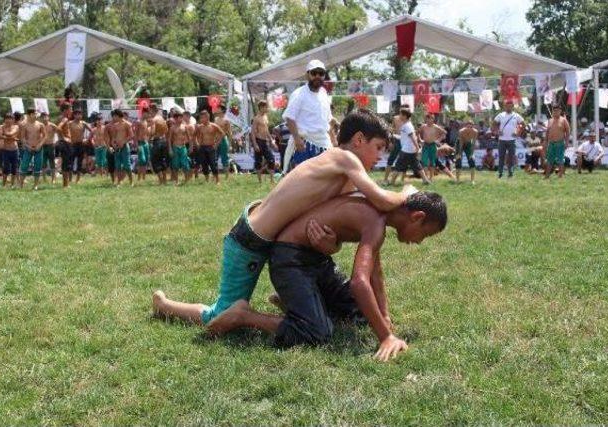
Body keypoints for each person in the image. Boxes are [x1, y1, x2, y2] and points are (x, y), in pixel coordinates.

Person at [151, 109, 415, 332]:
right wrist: (406, 192)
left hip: (271, 240)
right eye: (378, 148)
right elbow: (381, 200)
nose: (380, 156)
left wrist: (332, 245)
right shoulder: (343, 159)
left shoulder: (342, 174)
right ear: (358, 140)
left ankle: (292, 303)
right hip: (250, 239)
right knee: (220, 312)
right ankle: (165, 306)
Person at [157, 191, 446, 362]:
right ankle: (245, 315)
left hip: (316, 261)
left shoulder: (379, 211)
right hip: (291, 261)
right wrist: (386, 337)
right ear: (417, 217)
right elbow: (360, 282)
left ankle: (297, 304)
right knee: (318, 333)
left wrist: (383, 316)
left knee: (361, 312)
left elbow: (375, 273)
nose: (420, 242)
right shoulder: (375, 221)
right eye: (426, 235)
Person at [281, 59, 335, 172]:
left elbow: (328, 119)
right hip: (305, 143)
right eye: (314, 73)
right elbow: (289, 117)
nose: (317, 76)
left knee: (324, 179)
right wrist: (297, 139)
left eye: (321, 73)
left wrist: (333, 140)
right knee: (302, 180)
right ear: (307, 75)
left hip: (324, 143)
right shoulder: (299, 94)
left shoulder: (324, 94)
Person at [388, 108, 431, 186]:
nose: (399, 116)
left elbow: (412, 137)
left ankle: (391, 182)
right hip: (410, 150)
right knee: (417, 165)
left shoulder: (407, 126)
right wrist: (393, 135)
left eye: (400, 114)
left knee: (398, 165)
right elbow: (404, 137)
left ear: (404, 116)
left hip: (406, 150)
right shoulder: (407, 125)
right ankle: (425, 180)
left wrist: (418, 148)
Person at [492, 99, 524, 178]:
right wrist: (497, 131)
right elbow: (494, 124)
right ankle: (500, 173)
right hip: (502, 140)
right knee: (501, 157)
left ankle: (510, 173)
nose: (508, 107)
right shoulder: (501, 115)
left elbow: (523, 124)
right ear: (505, 107)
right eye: (507, 106)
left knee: (511, 157)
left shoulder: (516, 115)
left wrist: (518, 132)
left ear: (512, 107)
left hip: (512, 140)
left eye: (510, 106)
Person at [195, 109, 225, 185]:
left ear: (207, 117)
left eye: (203, 118)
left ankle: (217, 180)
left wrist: (217, 144)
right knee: (204, 164)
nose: (201, 119)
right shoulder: (199, 127)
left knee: (213, 164)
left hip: (211, 147)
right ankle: (207, 179)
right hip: (202, 147)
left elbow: (222, 134)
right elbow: (194, 136)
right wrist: (197, 143)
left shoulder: (214, 126)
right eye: (201, 118)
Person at [18, 109, 45, 190]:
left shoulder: (40, 124)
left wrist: (40, 145)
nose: (36, 115)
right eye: (34, 114)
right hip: (28, 148)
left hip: (38, 148)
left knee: (38, 166)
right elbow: (22, 138)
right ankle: (21, 185)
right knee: (24, 166)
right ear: (29, 115)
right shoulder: (24, 125)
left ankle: (35, 185)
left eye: (36, 113)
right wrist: (28, 146)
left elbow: (44, 136)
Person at [251, 101, 277, 183]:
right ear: (261, 107)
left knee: (271, 159)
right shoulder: (256, 118)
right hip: (258, 141)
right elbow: (252, 133)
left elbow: (267, 131)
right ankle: (260, 181)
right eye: (266, 107)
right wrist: (255, 144)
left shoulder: (265, 117)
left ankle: (272, 180)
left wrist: (272, 141)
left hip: (265, 141)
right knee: (258, 161)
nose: (267, 108)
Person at [107, 109, 134, 187]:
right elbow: (113, 137)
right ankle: (119, 182)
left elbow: (131, 136)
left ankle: (131, 181)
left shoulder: (127, 124)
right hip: (117, 147)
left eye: (114, 116)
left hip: (125, 146)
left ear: (118, 116)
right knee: (118, 165)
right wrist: (113, 144)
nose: (113, 118)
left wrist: (123, 142)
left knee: (127, 165)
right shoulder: (115, 125)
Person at [544, 104, 570, 179]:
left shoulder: (563, 120)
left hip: (560, 143)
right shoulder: (550, 120)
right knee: (549, 160)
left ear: (560, 111)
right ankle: (547, 176)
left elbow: (568, 131)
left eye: (557, 110)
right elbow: (547, 132)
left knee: (560, 160)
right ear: (552, 111)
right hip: (551, 144)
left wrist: (567, 142)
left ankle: (560, 176)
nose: (556, 112)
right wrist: (545, 142)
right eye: (554, 110)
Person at [419, 113, 446, 181]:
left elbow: (444, 133)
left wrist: (438, 140)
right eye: (428, 118)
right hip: (425, 145)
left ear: (433, 119)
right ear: (426, 119)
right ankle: (426, 177)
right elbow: (417, 133)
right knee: (424, 161)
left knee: (432, 162)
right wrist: (420, 140)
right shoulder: (423, 126)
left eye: (431, 118)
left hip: (432, 145)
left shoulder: (435, 127)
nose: (429, 120)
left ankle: (431, 178)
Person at [168, 111, 192, 185]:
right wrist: (170, 149)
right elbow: (169, 139)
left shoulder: (185, 126)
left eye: (182, 117)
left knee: (185, 164)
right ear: (175, 118)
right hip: (175, 147)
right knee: (175, 165)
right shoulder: (172, 128)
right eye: (180, 117)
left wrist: (191, 146)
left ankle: (186, 180)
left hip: (183, 147)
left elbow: (189, 137)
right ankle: (176, 181)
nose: (181, 119)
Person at [148, 103, 170, 185]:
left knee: (155, 161)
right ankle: (164, 181)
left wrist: (149, 138)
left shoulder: (154, 120)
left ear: (151, 109)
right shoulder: (161, 118)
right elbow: (166, 130)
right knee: (162, 161)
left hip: (157, 141)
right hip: (163, 141)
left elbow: (152, 131)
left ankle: (161, 181)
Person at [68, 109, 92, 184]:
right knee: (70, 162)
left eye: (80, 114)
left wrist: (87, 139)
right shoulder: (70, 123)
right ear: (74, 115)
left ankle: (77, 180)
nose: (78, 116)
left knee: (79, 162)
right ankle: (70, 179)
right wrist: (68, 139)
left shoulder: (83, 123)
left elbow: (92, 131)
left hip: (81, 144)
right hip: (72, 145)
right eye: (77, 114)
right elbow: (64, 131)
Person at [382, 107, 404, 185]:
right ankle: (385, 179)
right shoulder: (395, 118)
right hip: (396, 140)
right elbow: (392, 129)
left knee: (403, 161)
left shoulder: (408, 119)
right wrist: (391, 142)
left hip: (405, 141)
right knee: (391, 159)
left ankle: (401, 179)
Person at [0, 113, 20, 188]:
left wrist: (4, 134)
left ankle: (12, 184)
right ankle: (4, 185)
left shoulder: (16, 127)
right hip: (6, 150)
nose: (8, 120)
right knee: (5, 168)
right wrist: (12, 138)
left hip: (15, 150)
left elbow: (10, 134)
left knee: (14, 168)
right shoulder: (1, 127)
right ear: (4, 119)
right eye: (7, 118)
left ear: (13, 120)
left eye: (10, 119)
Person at [456, 120, 478, 184]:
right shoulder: (461, 131)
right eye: (468, 127)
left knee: (472, 160)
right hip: (460, 143)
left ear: (473, 127)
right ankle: (458, 180)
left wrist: (472, 153)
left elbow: (473, 143)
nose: (469, 129)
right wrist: (459, 153)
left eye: (471, 127)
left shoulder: (475, 132)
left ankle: (472, 180)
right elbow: (460, 143)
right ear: (465, 126)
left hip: (468, 144)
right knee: (458, 160)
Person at [214, 107, 232, 180]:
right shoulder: (215, 119)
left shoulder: (226, 120)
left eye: (218, 108)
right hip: (215, 140)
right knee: (214, 158)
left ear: (222, 110)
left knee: (225, 159)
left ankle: (227, 177)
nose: (217, 110)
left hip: (223, 140)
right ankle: (215, 176)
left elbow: (230, 132)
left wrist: (230, 145)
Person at [40, 113, 58, 184]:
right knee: (43, 163)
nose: (44, 118)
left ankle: (53, 179)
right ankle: (44, 179)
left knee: (52, 163)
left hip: (51, 145)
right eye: (43, 117)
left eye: (45, 117)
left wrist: (56, 141)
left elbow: (59, 132)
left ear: (48, 117)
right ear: (41, 118)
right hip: (43, 146)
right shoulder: (40, 126)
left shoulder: (52, 125)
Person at [134, 109, 151, 181]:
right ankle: (139, 177)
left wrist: (147, 141)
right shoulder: (138, 122)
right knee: (142, 160)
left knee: (146, 160)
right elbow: (135, 134)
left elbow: (146, 133)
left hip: (145, 143)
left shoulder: (146, 122)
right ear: (144, 113)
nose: (148, 115)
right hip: (140, 143)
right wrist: (137, 145)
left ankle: (143, 178)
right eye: (147, 113)